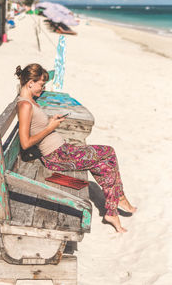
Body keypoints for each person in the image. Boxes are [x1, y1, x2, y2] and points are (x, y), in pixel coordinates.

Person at [15, 63, 137, 233]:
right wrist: (50, 128)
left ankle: (113, 210)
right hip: (57, 156)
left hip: (61, 151)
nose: (42, 89)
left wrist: (50, 120)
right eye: (41, 85)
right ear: (30, 83)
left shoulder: (29, 102)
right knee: (108, 152)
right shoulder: (25, 105)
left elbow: (35, 125)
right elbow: (25, 143)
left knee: (103, 164)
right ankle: (118, 200)